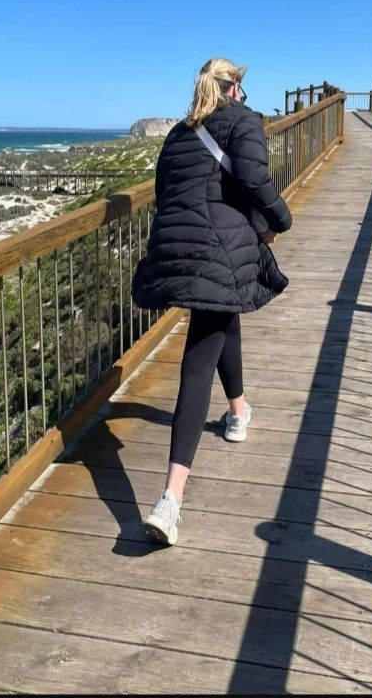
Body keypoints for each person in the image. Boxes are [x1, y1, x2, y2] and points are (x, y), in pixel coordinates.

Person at [131, 57, 292, 546]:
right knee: (198, 360)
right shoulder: (244, 120)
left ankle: (238, 413)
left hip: (179, 248)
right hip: (221, 249)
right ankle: (170, 500)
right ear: (234, 88)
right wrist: (281, 220)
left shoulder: (177, 135)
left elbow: (166, 193)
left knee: (221, 314)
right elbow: (254, 180)